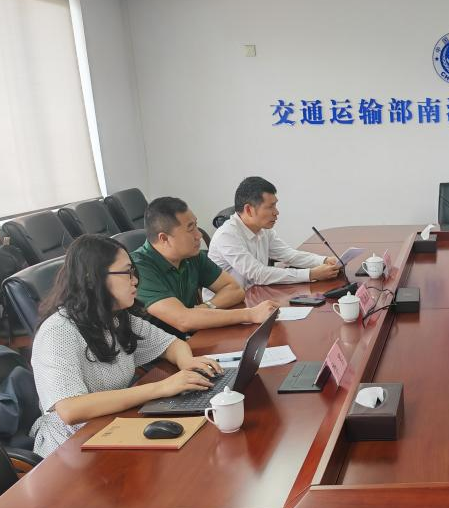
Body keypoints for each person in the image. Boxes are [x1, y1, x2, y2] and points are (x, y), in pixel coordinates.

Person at [29, 235, 224, 458]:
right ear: (93, 278)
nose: (135, 281)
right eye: (127, 273)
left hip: (113, 427)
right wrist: (162, 387)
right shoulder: (58, 331)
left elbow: (171, 344)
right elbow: (71, 409)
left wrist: (187, 362)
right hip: (71, 447)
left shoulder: (116, 317)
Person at [130, 196, 278, 335]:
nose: (198, 235)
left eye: (196, 225)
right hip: (161, 351)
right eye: (190, 229)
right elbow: (183, 320)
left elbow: (234, 290)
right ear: (164, 238)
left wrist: (206, 307)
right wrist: (249, 314)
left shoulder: (191, 256)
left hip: (192, 338)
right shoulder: (138, 268)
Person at [208, 176, 341, 290]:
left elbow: (289, 255)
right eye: (270, 207)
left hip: (255, 294)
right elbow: (258, 274)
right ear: (248, 210)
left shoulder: (263, 230)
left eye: (275, 205)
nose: (276, 212)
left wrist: (324, 260)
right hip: (227, 306)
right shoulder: (226, 235)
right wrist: (311, 274)